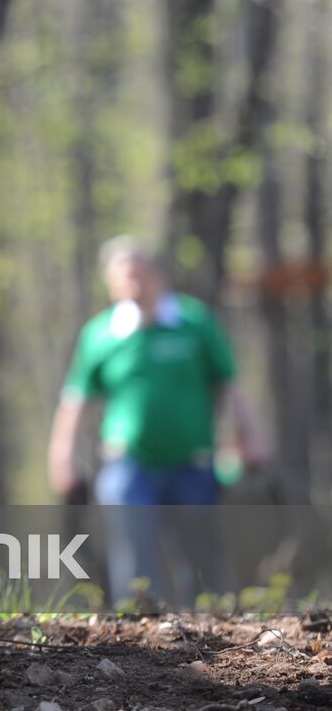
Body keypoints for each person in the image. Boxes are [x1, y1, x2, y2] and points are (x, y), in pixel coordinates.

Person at [47, 235, 268, 606]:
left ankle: (211, 639)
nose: (128, 283)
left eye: (136, 273)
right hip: (129, 465)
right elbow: (75, 400)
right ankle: (140, 644)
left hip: (192, 463)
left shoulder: (194, 322)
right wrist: (61, 456)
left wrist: (251, 436)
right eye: (119, 277)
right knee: (133, 562)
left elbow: (229, 385)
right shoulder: (102, 333)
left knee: (200, 562)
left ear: (156, 275)